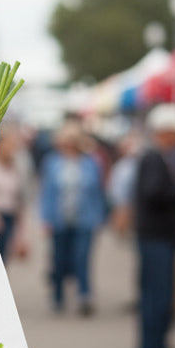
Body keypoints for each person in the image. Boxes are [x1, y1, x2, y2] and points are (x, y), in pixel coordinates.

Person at [135, 103, 175, 348]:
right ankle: (153, 346)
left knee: (159, 292)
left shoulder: (164, 157)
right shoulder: (153, 158)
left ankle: (156, 343)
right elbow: (153, 193)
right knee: (157, 293)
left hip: (159, 236)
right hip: (155, 236)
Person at [40, 123, 107, 315]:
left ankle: (84, 295)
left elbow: (98, 192)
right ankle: (58, 296)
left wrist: (99, 217)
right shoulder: (51, 162)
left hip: (85, 218)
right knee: (59, 259)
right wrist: (45, 218)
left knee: (82, 258)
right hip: (58, 219)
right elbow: (47, 192)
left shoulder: (91, 163)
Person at [0, 128, 32, 262]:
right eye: (9, 144)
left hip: (9, 216)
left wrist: (21, 234)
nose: (12, 148)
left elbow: (20, 199)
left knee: (4, 259)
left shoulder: (17, 168)